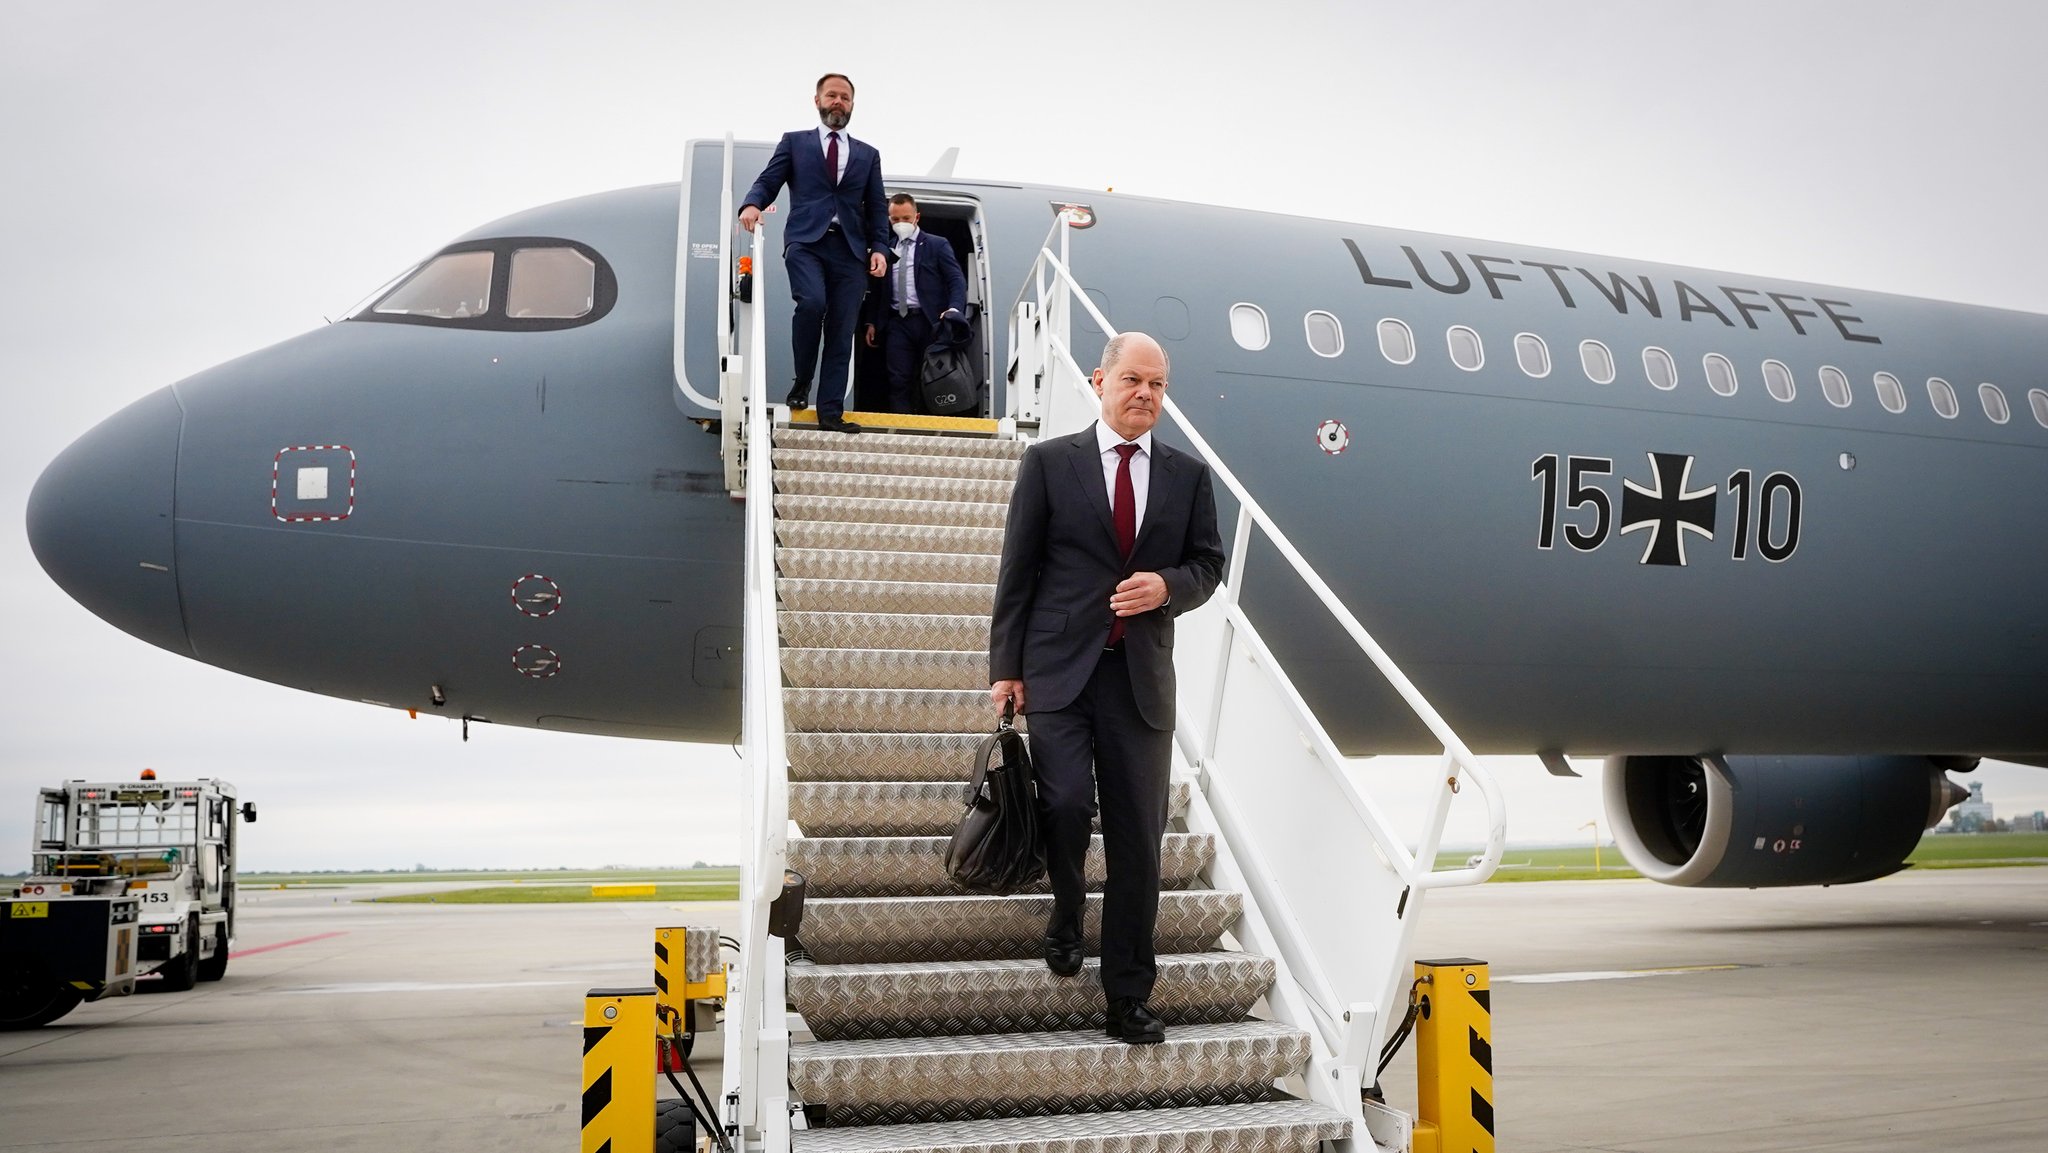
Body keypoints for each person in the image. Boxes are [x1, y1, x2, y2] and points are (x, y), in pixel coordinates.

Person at [987, 332, 1225, 1045]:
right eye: (1132, 380)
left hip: (1140, 683)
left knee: (1138, 846)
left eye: (1157, 384)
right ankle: (1066, 907)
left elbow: (1208, 565)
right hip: (1060, 669)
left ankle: (1128, 993)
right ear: (1099, 380)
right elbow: (1018, 568)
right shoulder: (1049, 464)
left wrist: (1167, 587)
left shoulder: (1188, 475)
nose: (1145, 394)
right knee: (1062, 804)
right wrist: (1006, 668)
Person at [738, 73, 889, 434]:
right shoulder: (795, 143)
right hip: (807, 241)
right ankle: (802, 378)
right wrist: (752, 203)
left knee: (841, 330)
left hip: (850, 249)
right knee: (811, 303)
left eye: (845, 98)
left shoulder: (868, 155)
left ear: (852, 105)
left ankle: (831, 413)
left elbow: (877, 206)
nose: (838, 102)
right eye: (832, 96)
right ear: (818, 100)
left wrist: (880, 247)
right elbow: (768, 180)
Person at [863, 193, 967, 413]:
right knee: (898, 379)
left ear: (917, 217)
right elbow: (877, 290)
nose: (901, 224)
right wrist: (871, 322)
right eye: (895, 219)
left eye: (906, 218)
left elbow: (956, 280)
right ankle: (901, 427)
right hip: (897, 324)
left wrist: (954, 309)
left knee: (932, 376)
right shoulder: (885, 250)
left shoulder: (937, 245)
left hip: (929, 321)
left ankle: (929, 427)